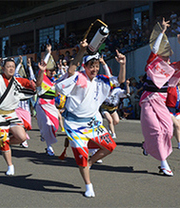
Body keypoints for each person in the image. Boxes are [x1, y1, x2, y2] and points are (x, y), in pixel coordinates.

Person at [55, 39, 126, 197]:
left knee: (110, 147)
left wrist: (122, 64)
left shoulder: (101, 80)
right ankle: (88, 185)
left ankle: (90, 163)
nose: (94, 69)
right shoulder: (78, 78)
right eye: (91, 66)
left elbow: (120, 81)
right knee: (81, 156)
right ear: (85, 67)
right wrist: (81, 51)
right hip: (74, 125)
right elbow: (72, 71)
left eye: (96, 66)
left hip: (92, 124)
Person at [0, 43, 36, 176]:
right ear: (3, 68)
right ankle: (10, 165)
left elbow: (35, 86)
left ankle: (5, 145)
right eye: (8, 67)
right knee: (3, 138)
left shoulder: (19, 81)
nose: (11, 69)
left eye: (13, 67)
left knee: (21, 137)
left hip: (12, 114)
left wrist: (41, 73)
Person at [140, 18, 180, 176]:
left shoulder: (171, 67)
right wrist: (162, 32)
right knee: (156, 130)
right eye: (163, 52)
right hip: (148, 99)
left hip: (161, 101)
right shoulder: (153, 63)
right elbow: (154, 48)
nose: (166, 56)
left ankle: (147, 146)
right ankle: (164, 163)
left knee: (168, 131)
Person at [36, 44, 59, 156]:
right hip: (41, 104)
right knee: (46, 123)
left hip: (52, 105)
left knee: (54, 126)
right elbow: (42, 70)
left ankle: (44, 135)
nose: (53, 72)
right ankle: (49, 147)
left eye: (54, 71)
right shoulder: (43, 78)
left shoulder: (54, 81)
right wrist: (48, 53)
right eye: (51, 71)